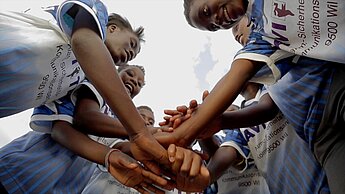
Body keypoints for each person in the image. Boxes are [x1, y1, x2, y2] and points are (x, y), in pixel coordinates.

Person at [164, 1, 345, 193]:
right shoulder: (264, 43)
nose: (217, 21)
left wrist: (184, 133)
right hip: (320, 133)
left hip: (335, 89)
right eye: (213, 27)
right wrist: (198, 125)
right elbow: (247, 84)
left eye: (207, 11)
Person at [0, 0, 169, 170]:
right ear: (112, 28)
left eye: (133, 55)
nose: (131, 53)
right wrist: (141, 131)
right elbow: (84, 40)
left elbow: (61, 127)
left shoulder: (82, 82)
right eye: (132, 44)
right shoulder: (96, 11)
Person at [0, 64, 168, 194]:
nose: (133, 81)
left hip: (64, 188)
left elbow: (120, 147)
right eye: (130, 74)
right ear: (116, 71)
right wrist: (143, 133)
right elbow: (72, 125)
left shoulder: (121, 120)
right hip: (21, 171)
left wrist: (165, 139)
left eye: (139, 83)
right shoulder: (95, 85)